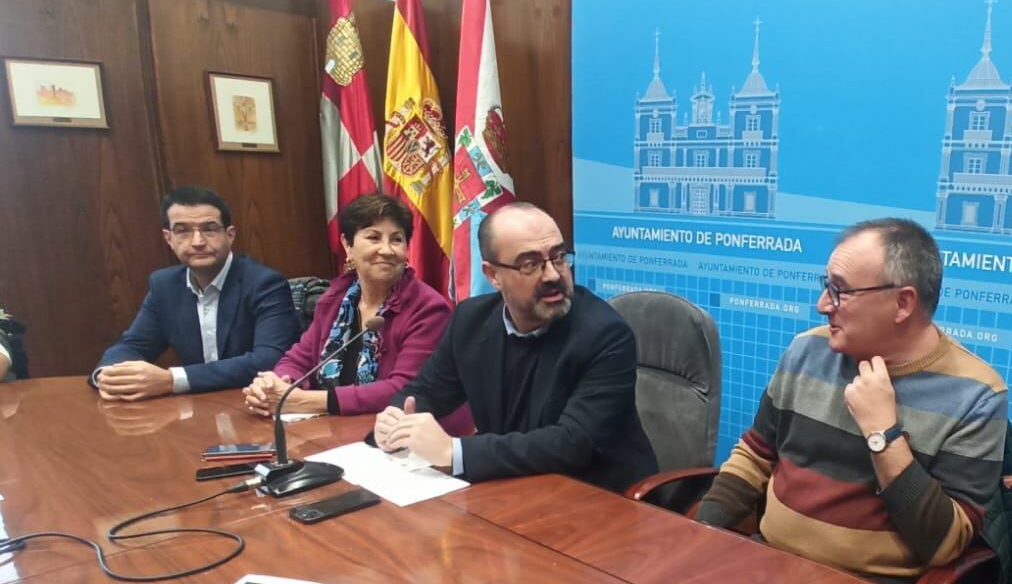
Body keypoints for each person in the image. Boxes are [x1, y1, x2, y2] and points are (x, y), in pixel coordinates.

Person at [693, 219, 1008, 584]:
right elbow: (756, 455)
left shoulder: (977, 394)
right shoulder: (806, 351)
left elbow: (943, 544)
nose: (822, 305)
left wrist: (883, 436)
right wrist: (699, 532)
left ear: (902, 303)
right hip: (768, 567)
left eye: (840, 291)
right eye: (827, 286)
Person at [372, 202, 657, 489]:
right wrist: (395, 419)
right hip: (513, 488)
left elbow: (573, 443)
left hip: (597, 498)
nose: (553, 275)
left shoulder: (604, 334)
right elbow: (426, 391)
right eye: (530, 264)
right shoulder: (470, 321)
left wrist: (453, 452)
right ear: (493, 275)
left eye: (559, 257)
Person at [242, 192, 469, 434]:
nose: (387, 250)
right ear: (347, 245)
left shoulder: (427, 308)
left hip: (406, 435)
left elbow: (405, 388)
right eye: (373, 237)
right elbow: (299, 359)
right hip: (338, 429)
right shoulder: (336, 298)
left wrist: (304, 401)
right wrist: (275, 386)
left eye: (396, 239)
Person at [93, 186, 298, 400]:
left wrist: (172, 380)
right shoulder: (165, 285)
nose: (198, 241)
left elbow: (269, 359)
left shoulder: (264, 283)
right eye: (183, 231)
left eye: (209, 229)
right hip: (197, 408)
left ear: (230, 235)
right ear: (168, 238)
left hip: (249, 403)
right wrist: (108, 377)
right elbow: (133, 345)